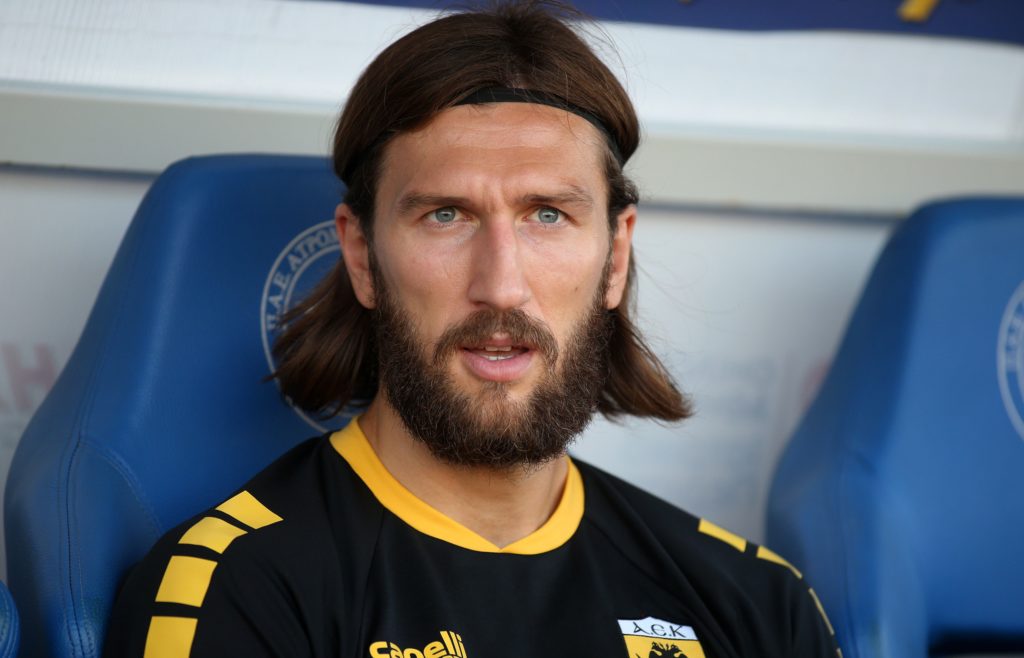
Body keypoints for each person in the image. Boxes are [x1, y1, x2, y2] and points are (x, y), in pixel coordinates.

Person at [105, 2, 840, 657]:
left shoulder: (757, 602)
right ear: (361, 257)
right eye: (445, 215)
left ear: (615, 257)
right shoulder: (234, 589)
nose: (501, 285)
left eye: (547, 214)